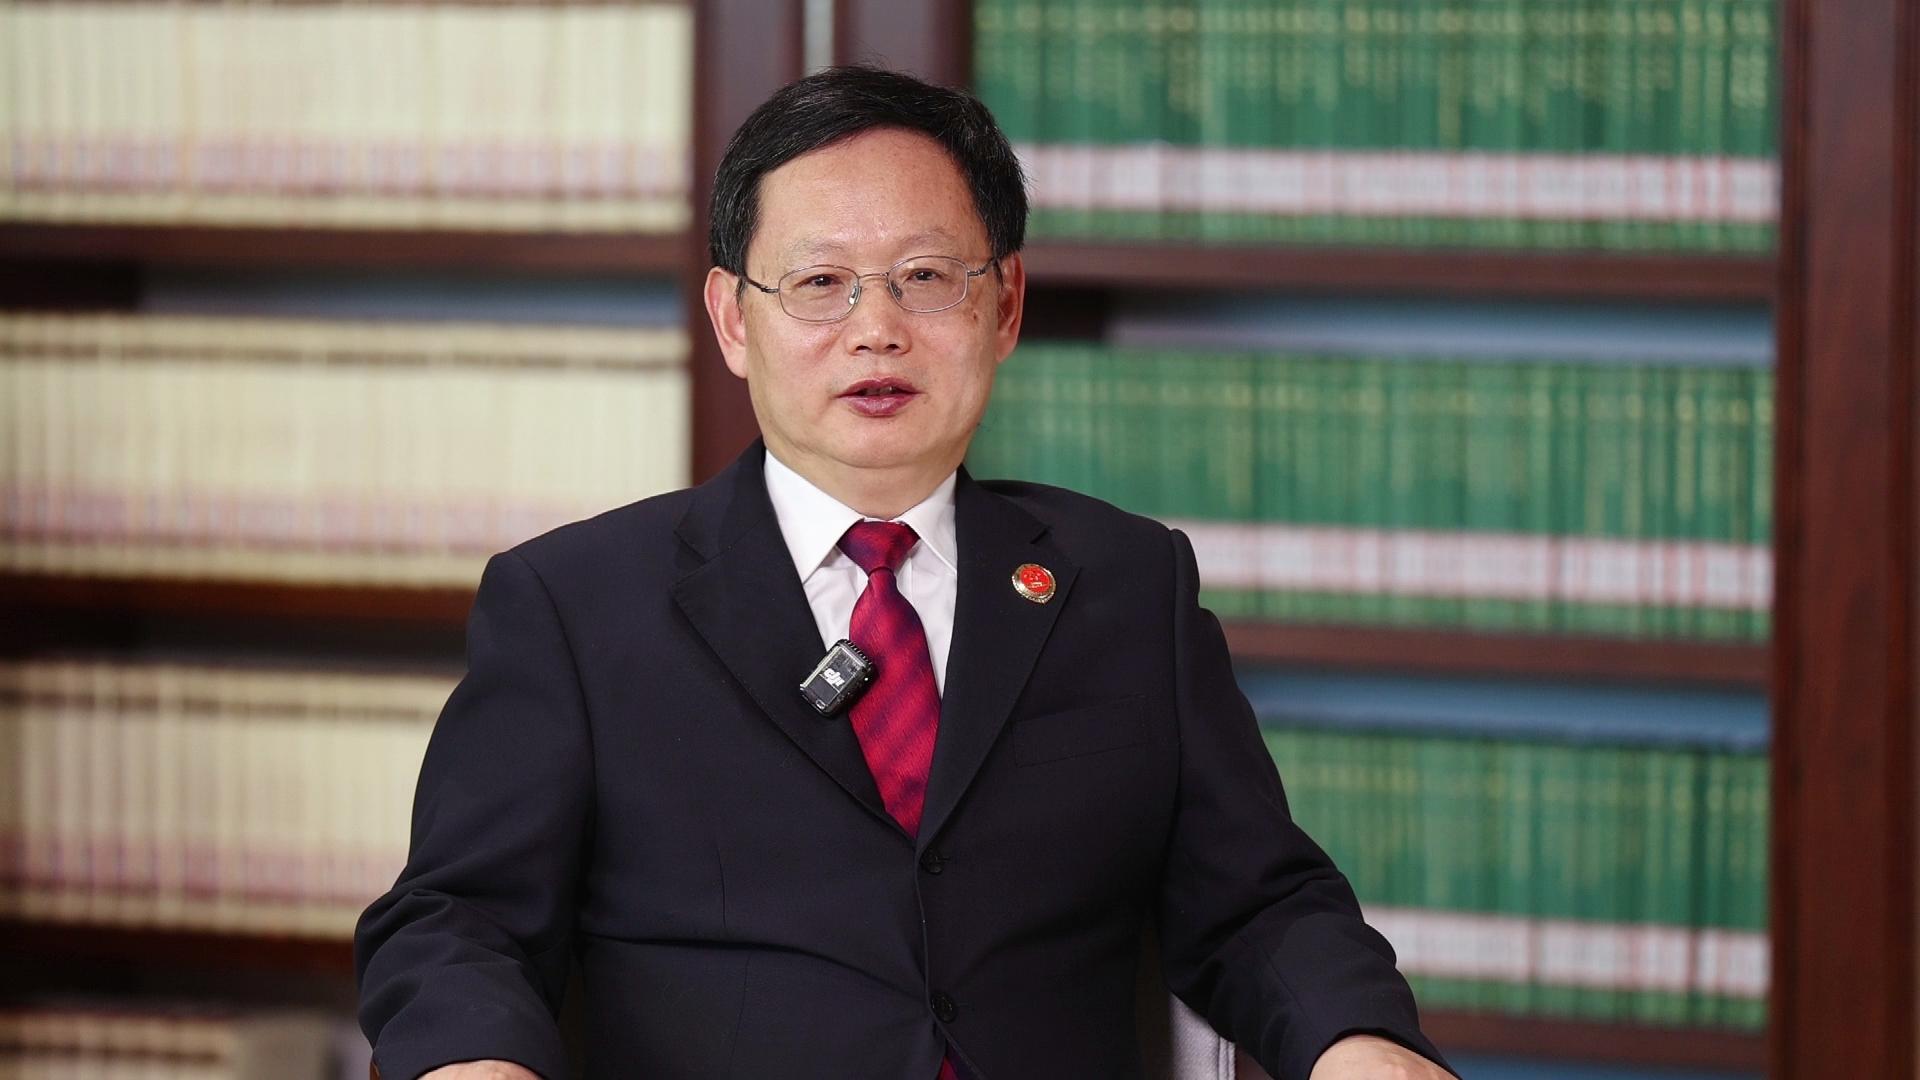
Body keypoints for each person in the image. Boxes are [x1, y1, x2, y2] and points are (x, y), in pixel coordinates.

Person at [355, 66, 1454, 1080]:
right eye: (820, 282)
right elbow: (459, 921)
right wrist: (472, 1063)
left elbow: (1259, 905)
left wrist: (1358, 1042)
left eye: (926, 277)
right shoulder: (577, 608)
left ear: (1005, 305)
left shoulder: (1126, 584)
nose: (875, 329)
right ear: (733, 319)